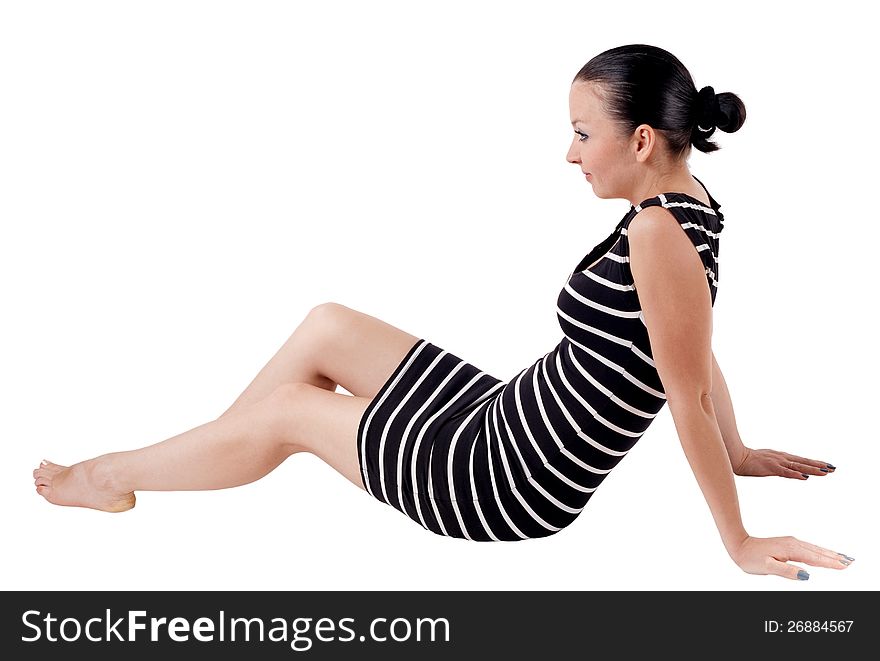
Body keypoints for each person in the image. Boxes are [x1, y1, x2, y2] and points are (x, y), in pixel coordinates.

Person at [33, 44, 853, 581]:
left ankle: (114, 476)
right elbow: (694, 347)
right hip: (506, 413)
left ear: (641, 140)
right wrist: (739, 450)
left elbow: (687, 393)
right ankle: (209, 454)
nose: (569, 152)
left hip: (504, 481)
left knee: (289, 410)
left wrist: (738, 539)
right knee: (327, 322)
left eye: (580, 132)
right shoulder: (695, 203)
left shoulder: (657, 232)